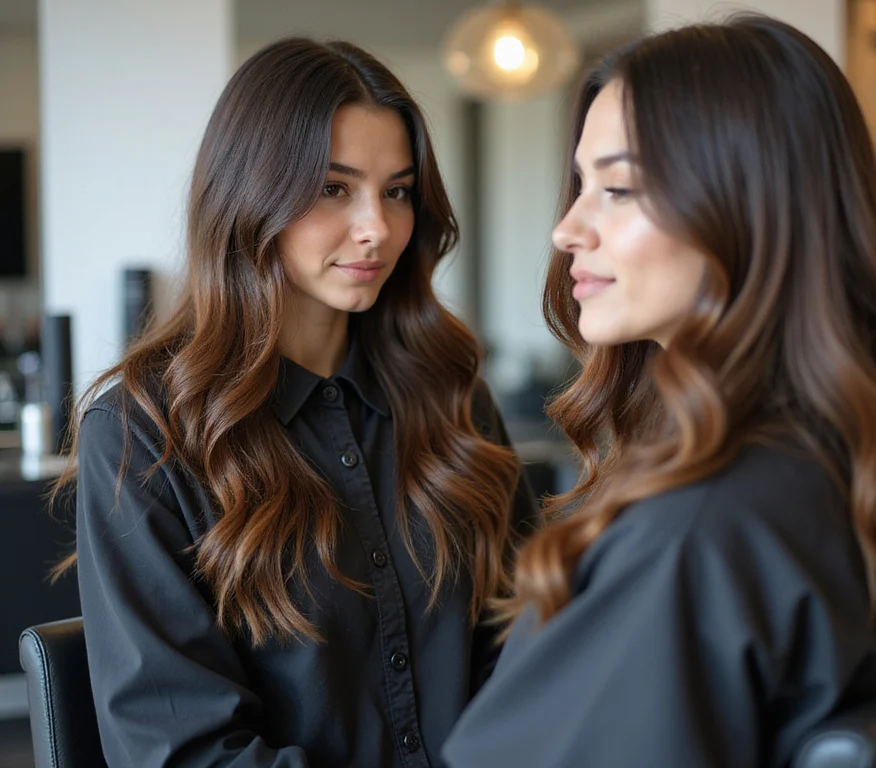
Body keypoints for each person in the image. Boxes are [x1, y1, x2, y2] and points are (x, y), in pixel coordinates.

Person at [442, 14, 876, 768]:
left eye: (619, 187)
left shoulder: (692, 532)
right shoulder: (835, 464)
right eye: (580, 185)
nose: (568, 228)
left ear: (749, 208)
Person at [52, 37, 537, 768]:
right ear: (250, 196)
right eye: (333, 188)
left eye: (398, 190)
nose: (376, 226)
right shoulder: (141, 433)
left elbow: (525, 651)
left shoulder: (453, 398)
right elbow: (184, 751)